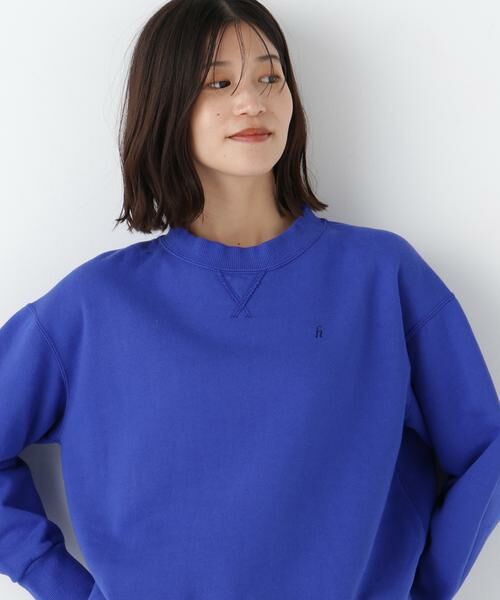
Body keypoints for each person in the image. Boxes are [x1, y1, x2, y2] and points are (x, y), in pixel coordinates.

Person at [1, 1, 499, 599]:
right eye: (219, 83)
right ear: (166, 104)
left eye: (269, 77)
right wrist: (60, 586)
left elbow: (486, 450)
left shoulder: (382, 278)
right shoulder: (94, 307)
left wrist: (424, 590)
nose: (252, 101)